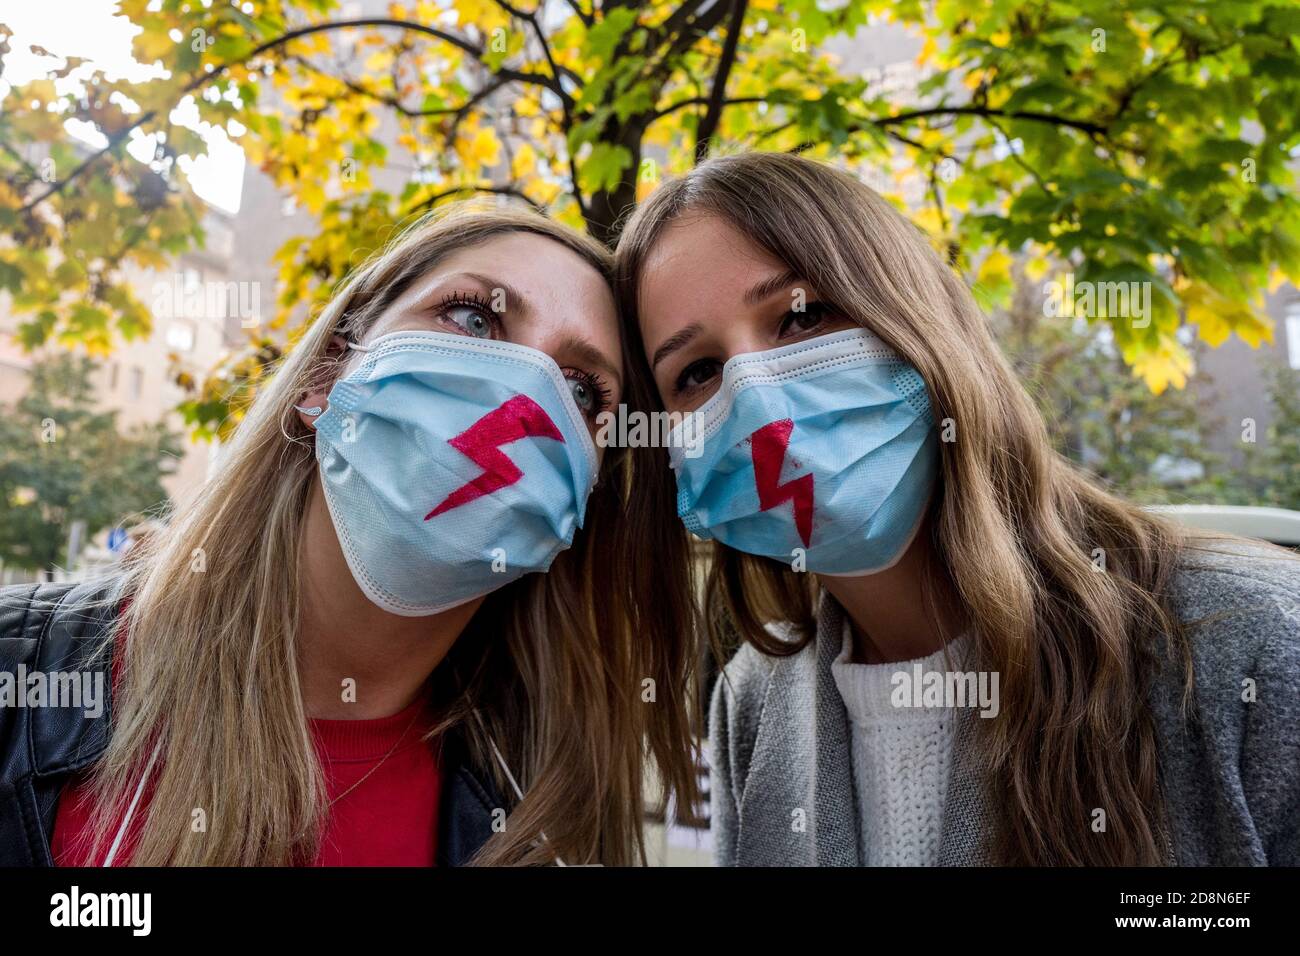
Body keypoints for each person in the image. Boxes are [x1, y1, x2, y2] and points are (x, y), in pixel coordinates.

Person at [613, 150, 1300, 866]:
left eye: (802, 315)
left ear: (922, 316)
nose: (757, 401)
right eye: (695, 373)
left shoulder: (1254, 641)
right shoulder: (749, 703)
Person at [0, 203, 699, 867]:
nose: (525, 395)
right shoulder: (24, 678)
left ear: (586, 489)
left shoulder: (553, 820)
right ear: (324, 375)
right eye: (473, 318)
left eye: (583, 391)